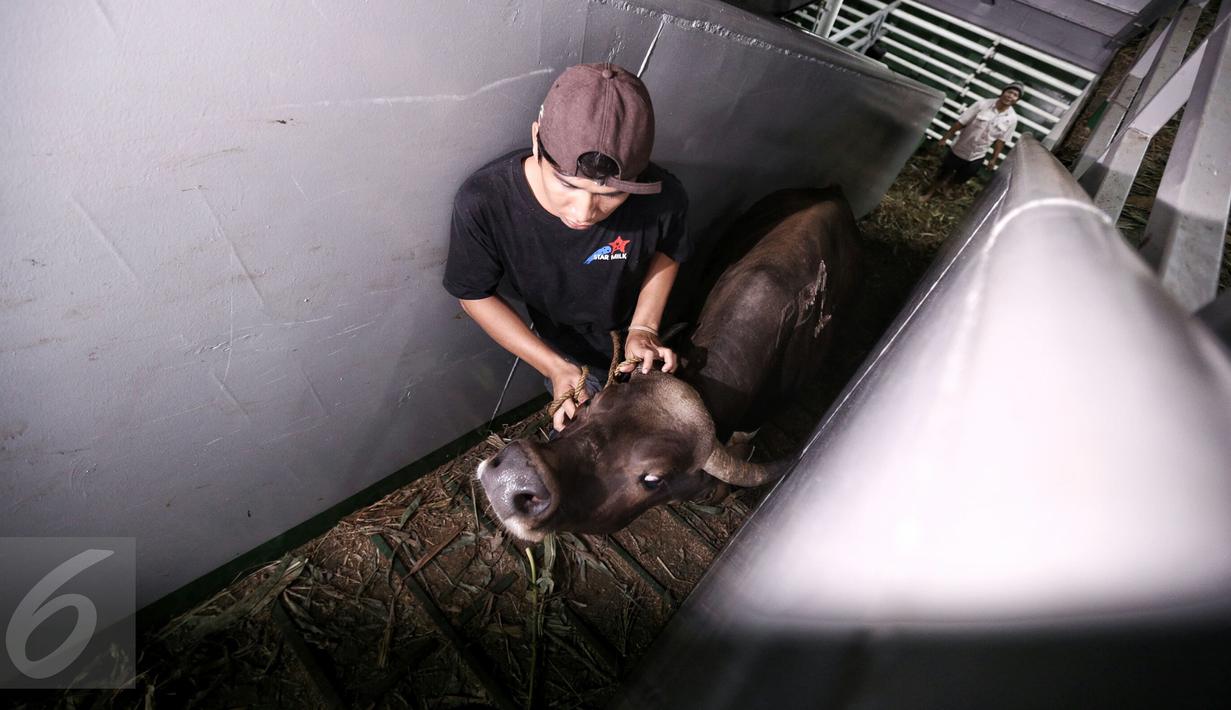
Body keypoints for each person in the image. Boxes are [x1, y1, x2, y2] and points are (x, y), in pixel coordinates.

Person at [443, 63, 691, 432]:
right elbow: (472, 294)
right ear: (535, 139)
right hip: (567, 352)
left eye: (612, 195)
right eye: (569, 186)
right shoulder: (485, 202)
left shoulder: (665, 197)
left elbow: (668, 250)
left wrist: (645, 328)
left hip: (651, 345)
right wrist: (555, 367)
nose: (584, 212)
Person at [921, 82, 1023, 201]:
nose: (1011, 96)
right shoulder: (982, 104)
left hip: (978, 154)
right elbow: (961, 123)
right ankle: (929, 193)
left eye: (1015, 95)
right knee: (944, 172)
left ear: (1017, 100)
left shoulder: (1012, 119)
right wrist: (945, 138)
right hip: (960, 148)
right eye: (1009, 92)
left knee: (964, 176)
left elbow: (1001, 140)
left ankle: (948, 187)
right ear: (1003, 92)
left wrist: (994, 159)